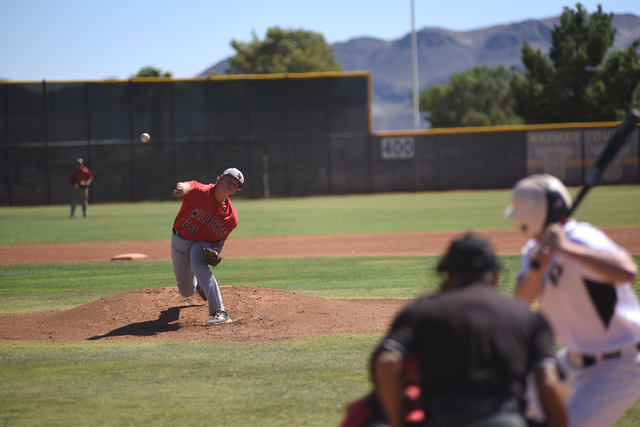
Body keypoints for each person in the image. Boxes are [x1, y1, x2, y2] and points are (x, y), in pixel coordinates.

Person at [370, 233, 567, 427]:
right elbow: (548, 381)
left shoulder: (421, 310)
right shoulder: (526, 316)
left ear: (447, 276)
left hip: (443, 420)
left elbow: (386, 361)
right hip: (505, 419)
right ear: (495, 275)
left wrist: (396, 422)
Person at [505, 173, 640, 427]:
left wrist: (566, 249)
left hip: (619, 364)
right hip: (575, 359)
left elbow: (627, 270)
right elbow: (520, 302)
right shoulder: (534, 251)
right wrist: (537, 269)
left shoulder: (581, 237)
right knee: (515, 405)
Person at [170, 168, 244, 325]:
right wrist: (181, 189)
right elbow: (187, 186)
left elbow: (220, 240)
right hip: (179, 241)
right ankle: (198, 286)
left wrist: (216, 251)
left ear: (236, 190)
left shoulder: (231, 218)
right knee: (186, 291)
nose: (231, 185)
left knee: (199, 266)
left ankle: (221, 312)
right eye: (229, 181)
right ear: (220, 179)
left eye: (235, 185)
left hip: (201, 243)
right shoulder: (202, 191)